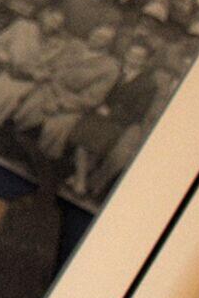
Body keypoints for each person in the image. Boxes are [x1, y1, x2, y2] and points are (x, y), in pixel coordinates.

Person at [12, 25, 121, 160]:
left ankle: (37, 159)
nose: (97, 38)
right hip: (48, 89)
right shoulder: (73, 46)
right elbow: (51, 68)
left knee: (56, 129)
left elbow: (92, 98)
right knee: (27, 111)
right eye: (96, 34)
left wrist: (60, 104)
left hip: (73, 105)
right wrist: (49, 95)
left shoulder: (110, 68)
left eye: (104, 38)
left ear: (110, 44)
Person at [65, 42, 158, 198]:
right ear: (126, 54)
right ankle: (80, 181)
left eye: (139, 57)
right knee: (83, 139)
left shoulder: (148, 84)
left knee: (98, 144)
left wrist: (111, 113)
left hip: (118, 121)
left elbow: (138, 113)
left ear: (146, 61)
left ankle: (79, 180)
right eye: (131, 54)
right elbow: (98, 89)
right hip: (96, 111)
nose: (133, 59)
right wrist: (97, 105)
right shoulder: (113, 69)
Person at [0, 8, 68, 138]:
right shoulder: (22, 27)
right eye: (52, 19)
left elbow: (53, 69)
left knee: (15, 91)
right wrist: (6, 61)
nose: (53, 25)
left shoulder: (58, 45)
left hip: (30, 80)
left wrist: (36, 74)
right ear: (44, 15)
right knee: (3, 83)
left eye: (58, 24)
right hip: (6, 68)